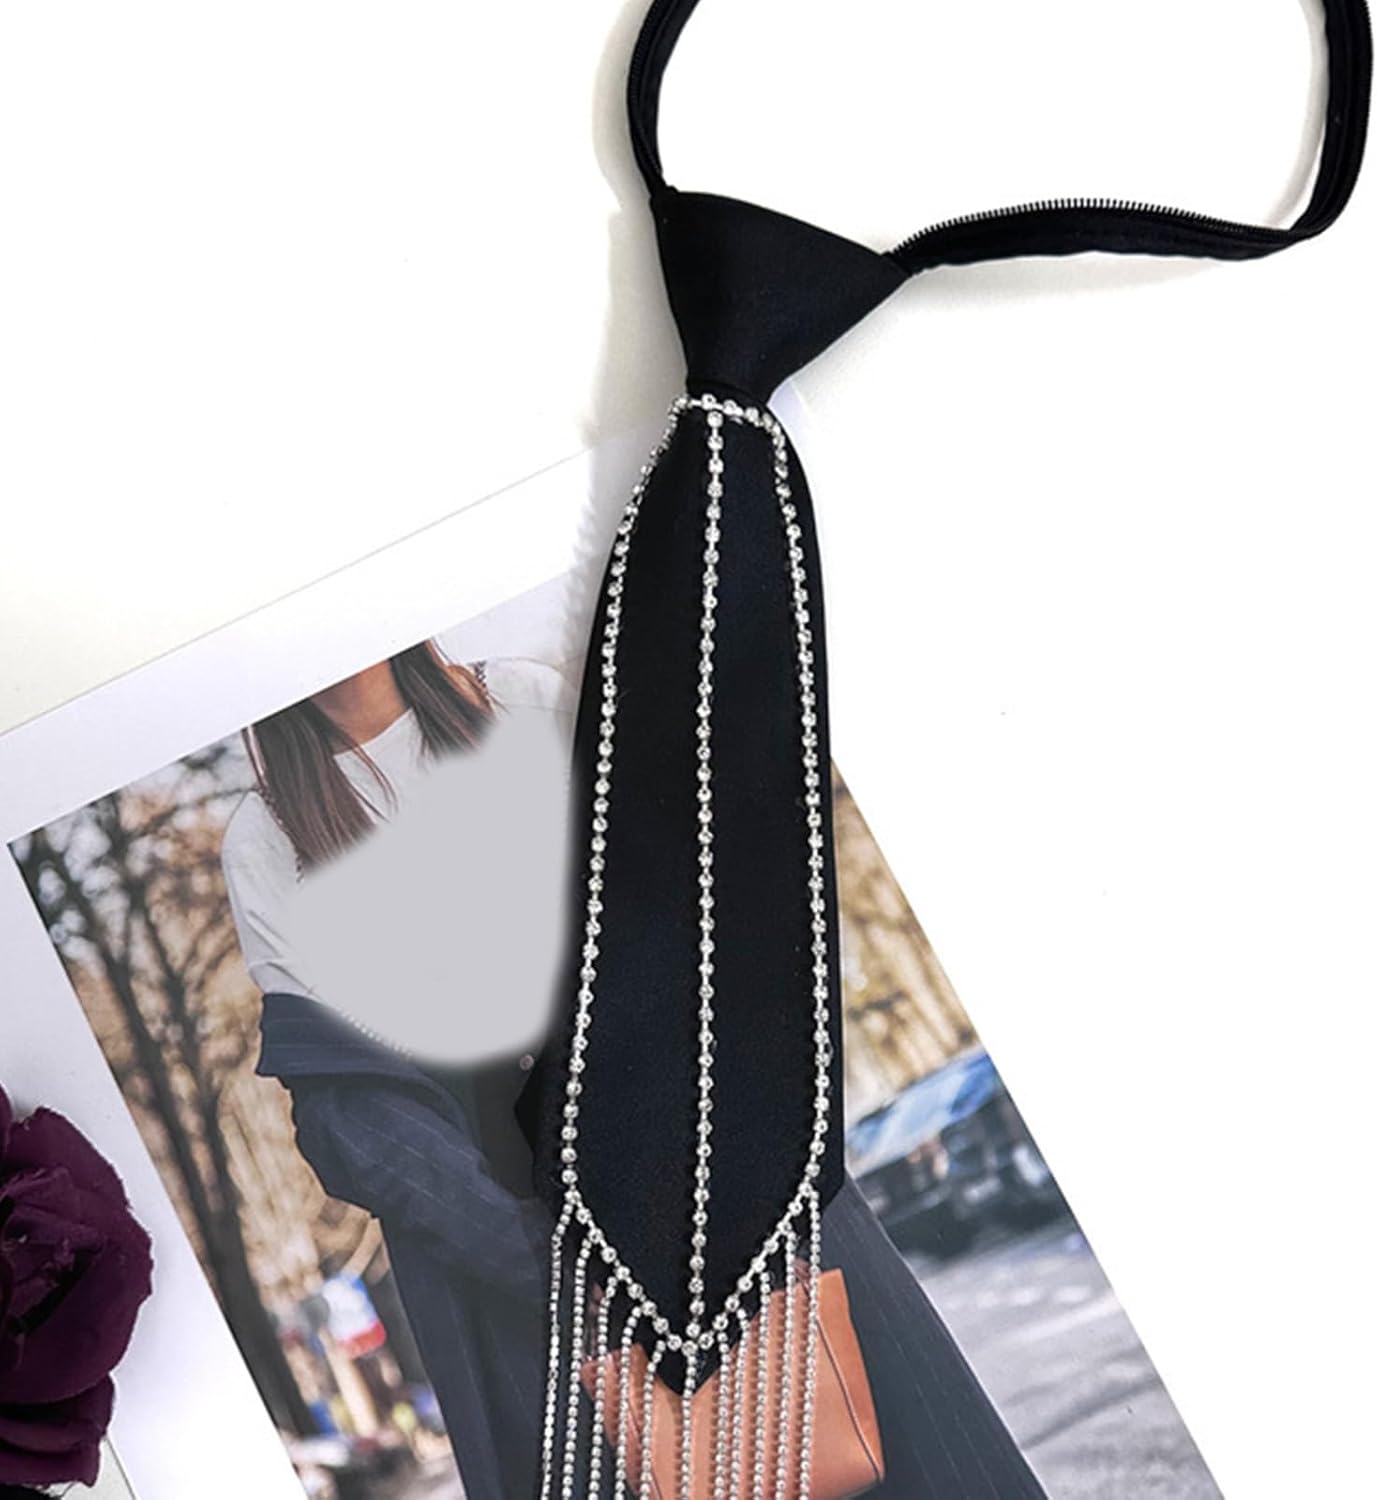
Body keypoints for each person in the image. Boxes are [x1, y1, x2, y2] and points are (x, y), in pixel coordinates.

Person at [222, 640, 573, 1500]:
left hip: (694, 1167)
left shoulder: (524, 700)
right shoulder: (265, 839)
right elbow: (346, 1110)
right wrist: (546, 1264)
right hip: (509, 1259)